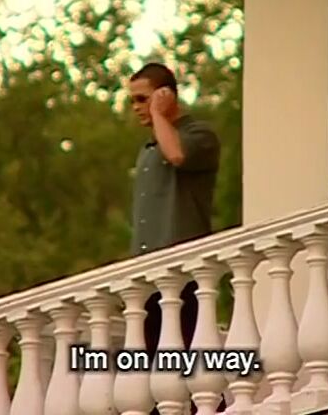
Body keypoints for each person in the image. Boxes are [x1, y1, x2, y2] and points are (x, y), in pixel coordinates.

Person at [128, 62, 225, 413]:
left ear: (166, 95)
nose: (137, 108)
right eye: (133, 101)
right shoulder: (148, 149)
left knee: (193, 362)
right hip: (149, 278)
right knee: (155, 369)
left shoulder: (200, 135)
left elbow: (177, 154)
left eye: (143, 99)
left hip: (184, 275)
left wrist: (159, 113)